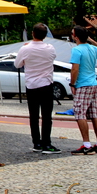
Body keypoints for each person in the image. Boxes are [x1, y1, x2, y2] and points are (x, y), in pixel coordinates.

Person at [15, 22, 60, 154]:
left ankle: (36, 143)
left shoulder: (25, 49)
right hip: (46, 84)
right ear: (45, 36)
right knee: (47, 116)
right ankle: (47, 143)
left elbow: (17, 64)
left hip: (31, 85)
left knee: (33, 115)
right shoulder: (50, 48)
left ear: (32, 34)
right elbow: (52, 58)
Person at [69, 25, 97, 154]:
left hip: (83, 84)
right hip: (94, 84)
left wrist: (72, 84)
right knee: (95, 114)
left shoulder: (77, 50)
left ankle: (86, 144)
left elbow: (75, 69)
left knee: (80, 114)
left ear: (76, 37)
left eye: (73, 33)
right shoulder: (92, 49)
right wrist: (91, 40)